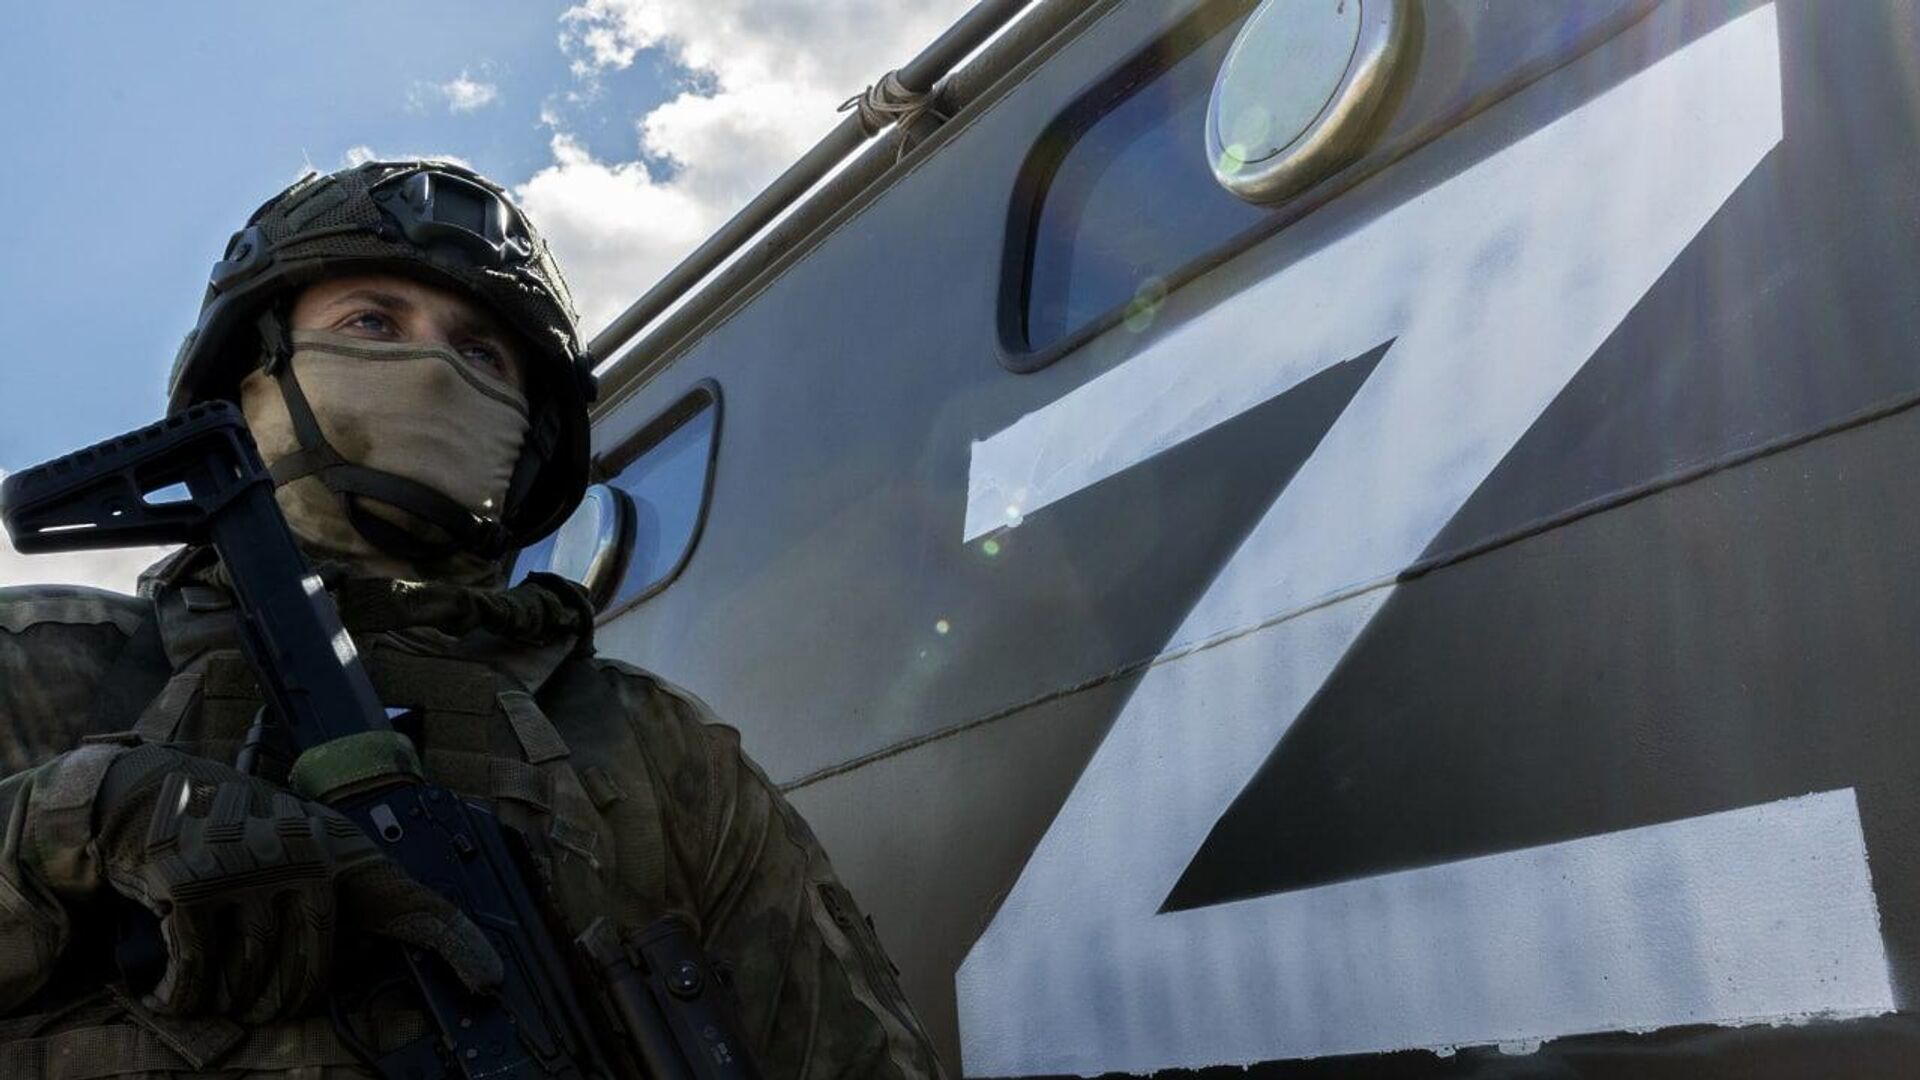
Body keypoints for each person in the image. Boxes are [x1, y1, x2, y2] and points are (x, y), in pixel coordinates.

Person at [0, 159, 946, 1078]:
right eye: (373, 322)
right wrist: (74, 824)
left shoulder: (660, 750)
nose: (432, 370)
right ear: (250, 379)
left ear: (529, 438)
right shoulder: (44, 665)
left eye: (481, 353)